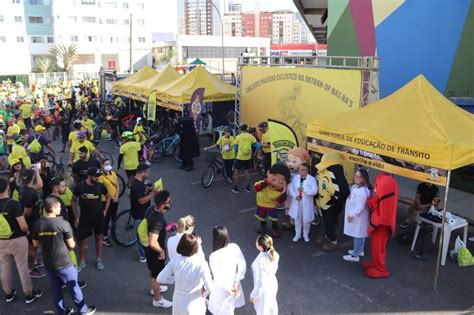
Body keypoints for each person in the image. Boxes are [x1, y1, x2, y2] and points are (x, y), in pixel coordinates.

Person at [32, 197, 96, 315]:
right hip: (64, 262)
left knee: (56, 289)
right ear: (54, 208)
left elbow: (35, 244)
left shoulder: (37, 224)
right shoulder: (63, 224)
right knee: (73, 286)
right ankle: (83, 310)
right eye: (59, 206)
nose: (61, 208)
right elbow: (71, 245)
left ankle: (61, 312)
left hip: (48, 262)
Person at [0, 178, 43, 304]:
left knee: (5, 267)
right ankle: (29, 294)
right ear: (7, 188)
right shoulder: (13, 204)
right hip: (17, 240)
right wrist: (28, 231)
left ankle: (8, 293)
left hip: (1, 240)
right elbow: (23, 225)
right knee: (22, 267)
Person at [157, 233, 213, 314]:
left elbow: (160, 278)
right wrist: (204, 290)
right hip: (195, 305)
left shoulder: (174, 261)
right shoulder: (201, 263)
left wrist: (174, 279)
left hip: (178, 304)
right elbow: (210, 287)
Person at [71, 167, 111, 272]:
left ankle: (98, 259)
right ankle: (82, 261)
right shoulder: (80, 186)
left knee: (99, 238)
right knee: (82, 241)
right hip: (84, 218)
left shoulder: (101, 186)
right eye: (96, 176)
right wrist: (76, 217)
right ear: (89, 176)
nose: (98, 178)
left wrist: (105, 210)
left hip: (98, 218)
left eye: (99, 176)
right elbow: (73, 200)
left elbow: (108, 196)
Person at [363, 173, 398, 278]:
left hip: (381, 225)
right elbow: (376, 201)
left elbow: (384, 213)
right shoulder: (380, 187)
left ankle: (381, 269)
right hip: (377, 223)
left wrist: (373, 226)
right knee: (374, 245)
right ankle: (374, 263)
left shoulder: (386, 186)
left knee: (379, 247)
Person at [315, 152, 350, 252]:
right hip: (323, 202)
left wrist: (335, 204)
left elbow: (343, 192)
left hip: (332, 204)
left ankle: (333, 240)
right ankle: (327, 236)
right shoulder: (322, 172)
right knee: (325, 220)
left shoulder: (336, 174)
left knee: (331, 222)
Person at [143, 190, 173, 308]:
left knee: (155, 273)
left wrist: (167, 228)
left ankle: (155, 289)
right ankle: (158, 299)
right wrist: (161, 251)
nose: (171, 202)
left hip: (150, 251)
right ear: (162, 204)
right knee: (156, 275)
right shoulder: (158, 220)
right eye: (169, 201)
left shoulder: (152, 209)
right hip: (155, 252)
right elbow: (152, 241)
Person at [208, 226, 246, 315]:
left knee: (222, 310)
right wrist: (237, 281)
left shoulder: (214, 256)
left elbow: (217, 277)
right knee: (229, 309)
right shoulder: (234, 247)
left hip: (222, 288)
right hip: (234, 284)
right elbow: (242, 264)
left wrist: (227, 288)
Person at [19, 168, 46, 279]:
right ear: (33, 178)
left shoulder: (25, 188)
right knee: (32, 247)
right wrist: (24, 225)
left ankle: (34, 261)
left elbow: (40, 185)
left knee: (34, 245)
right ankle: (30, 269)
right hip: (31, 224)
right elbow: (27, 212)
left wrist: (35, 172)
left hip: (33, 222)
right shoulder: (30, 193)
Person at [254, 163, 291, 238]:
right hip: (261, 203)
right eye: (274, 179)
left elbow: (280, 200)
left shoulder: (280, 190)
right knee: (261, 215)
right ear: (268, 173)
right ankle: (263, 226)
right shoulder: (263, 183)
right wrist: (262, 185)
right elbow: (256, 188)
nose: (275, 183)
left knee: (273, 217)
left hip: (271, 205)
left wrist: (282, 197)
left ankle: (275, 228)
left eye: (281, 182)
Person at [342, 169, 371, 262]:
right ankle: (359, 250)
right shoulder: (356, 187)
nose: (356, 178)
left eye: (359, 176)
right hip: (359, 216)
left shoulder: (361, 191)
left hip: (358, 217)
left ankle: (355, 256)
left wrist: (351, 215)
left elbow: (360, 207)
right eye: (355, 175)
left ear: (363, 179)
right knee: (359, 234)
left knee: (357, 235)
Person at [130, 163, 155, 262]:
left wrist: (149, 189)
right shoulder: (136, 185)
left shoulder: (139, 182)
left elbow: (143, 189)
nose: (148, 174)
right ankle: (142, 255)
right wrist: (152, 194)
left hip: (143, 212)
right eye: (147, 172)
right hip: (140, 214)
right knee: (141, 234)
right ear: (142, 173)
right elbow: (141, 200)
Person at [249, 234, 279, 315]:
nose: (255, 243)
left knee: (263, 310)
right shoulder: (274, 254)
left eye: (256, 242)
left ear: (261, 247)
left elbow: (260, 282)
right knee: (271, 305)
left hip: (264, 290)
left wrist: (253, 295)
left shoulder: (261, 262)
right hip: (272, 284)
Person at [288, 162, 318, 242]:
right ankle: (297, 234)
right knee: (297, 218)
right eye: (300, 169)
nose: (300, 171)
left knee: (306, 220)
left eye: (302, 170)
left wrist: (304, 190)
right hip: (297, 201)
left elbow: (314, 191)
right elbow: (291, 188)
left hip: (306, 203)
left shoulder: (312, 179)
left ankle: (305, 234)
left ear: (307, 170)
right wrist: (295, 196)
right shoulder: (296, 178)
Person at [98, 159, 120, 247]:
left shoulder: (113, 173)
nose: (108, 166)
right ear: (102, 166)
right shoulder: (100, 177)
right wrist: (112, 198)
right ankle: (104, 236)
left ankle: (112, 232)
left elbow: (117, 185)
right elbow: (103, 191)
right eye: (106, 164)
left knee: (114, 216)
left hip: (115, 200)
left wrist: (116, 197)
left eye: (109, 164)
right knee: (106, 217)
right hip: (105, 201)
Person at [232, 124, 256, 193]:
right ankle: (248, 187)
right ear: (247, 129)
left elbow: (235, 148)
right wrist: (254, 153)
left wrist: (236, 153)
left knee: (236, 171)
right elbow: (257, 145)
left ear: (241, 129)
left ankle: (236, 187)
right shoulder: (251, 136)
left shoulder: (238, 137)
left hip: (239, 157)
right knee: (246, 171)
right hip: (248, 157)